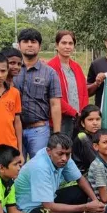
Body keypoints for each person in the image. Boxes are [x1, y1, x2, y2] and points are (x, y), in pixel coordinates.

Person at [14, 134, 106, 213]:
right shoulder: (40, 167)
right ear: (49, 151)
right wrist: (86, 207)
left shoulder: (61, 156)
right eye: (60, 154)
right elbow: (49, 208)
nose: (64, 158)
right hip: (29, 211)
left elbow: (80, 179)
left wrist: (95, 201)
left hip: (46, 201)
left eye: (67, 154)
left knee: (80, 192)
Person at [13, 28, 62, 159]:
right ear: (19, 45)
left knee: (40, 167)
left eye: (33, 41)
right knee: (15, 169)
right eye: (25, 41)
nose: (29, 44)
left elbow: (55, 104)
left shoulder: (50, 73)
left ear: (39, 46)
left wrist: (56, 133)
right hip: (13, 129)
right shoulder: (11, 71)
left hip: (39, 130)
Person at [48, 30, 88, 138]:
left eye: (70, 43)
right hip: (60, 119)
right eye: (64, 43)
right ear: (57, 45)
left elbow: (84, 92)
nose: (67, 46)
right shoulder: (50, 67)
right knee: (61, 151)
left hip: (78, 119)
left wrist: (83, 113)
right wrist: (73, 112)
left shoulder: (76, 67)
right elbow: (54, 96)